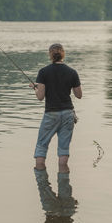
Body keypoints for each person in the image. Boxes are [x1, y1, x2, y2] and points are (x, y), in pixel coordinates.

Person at [30, 43, 82, 172]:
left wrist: (36, 89)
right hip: (68, 113)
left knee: (41, 146)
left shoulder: (43, 72)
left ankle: (42, 185)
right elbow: (79, 95)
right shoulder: (72, 72)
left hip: (51, 114)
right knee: (63, 149)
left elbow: (40, 97)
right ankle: (64, 184)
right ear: (63, 54)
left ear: (50, 54)